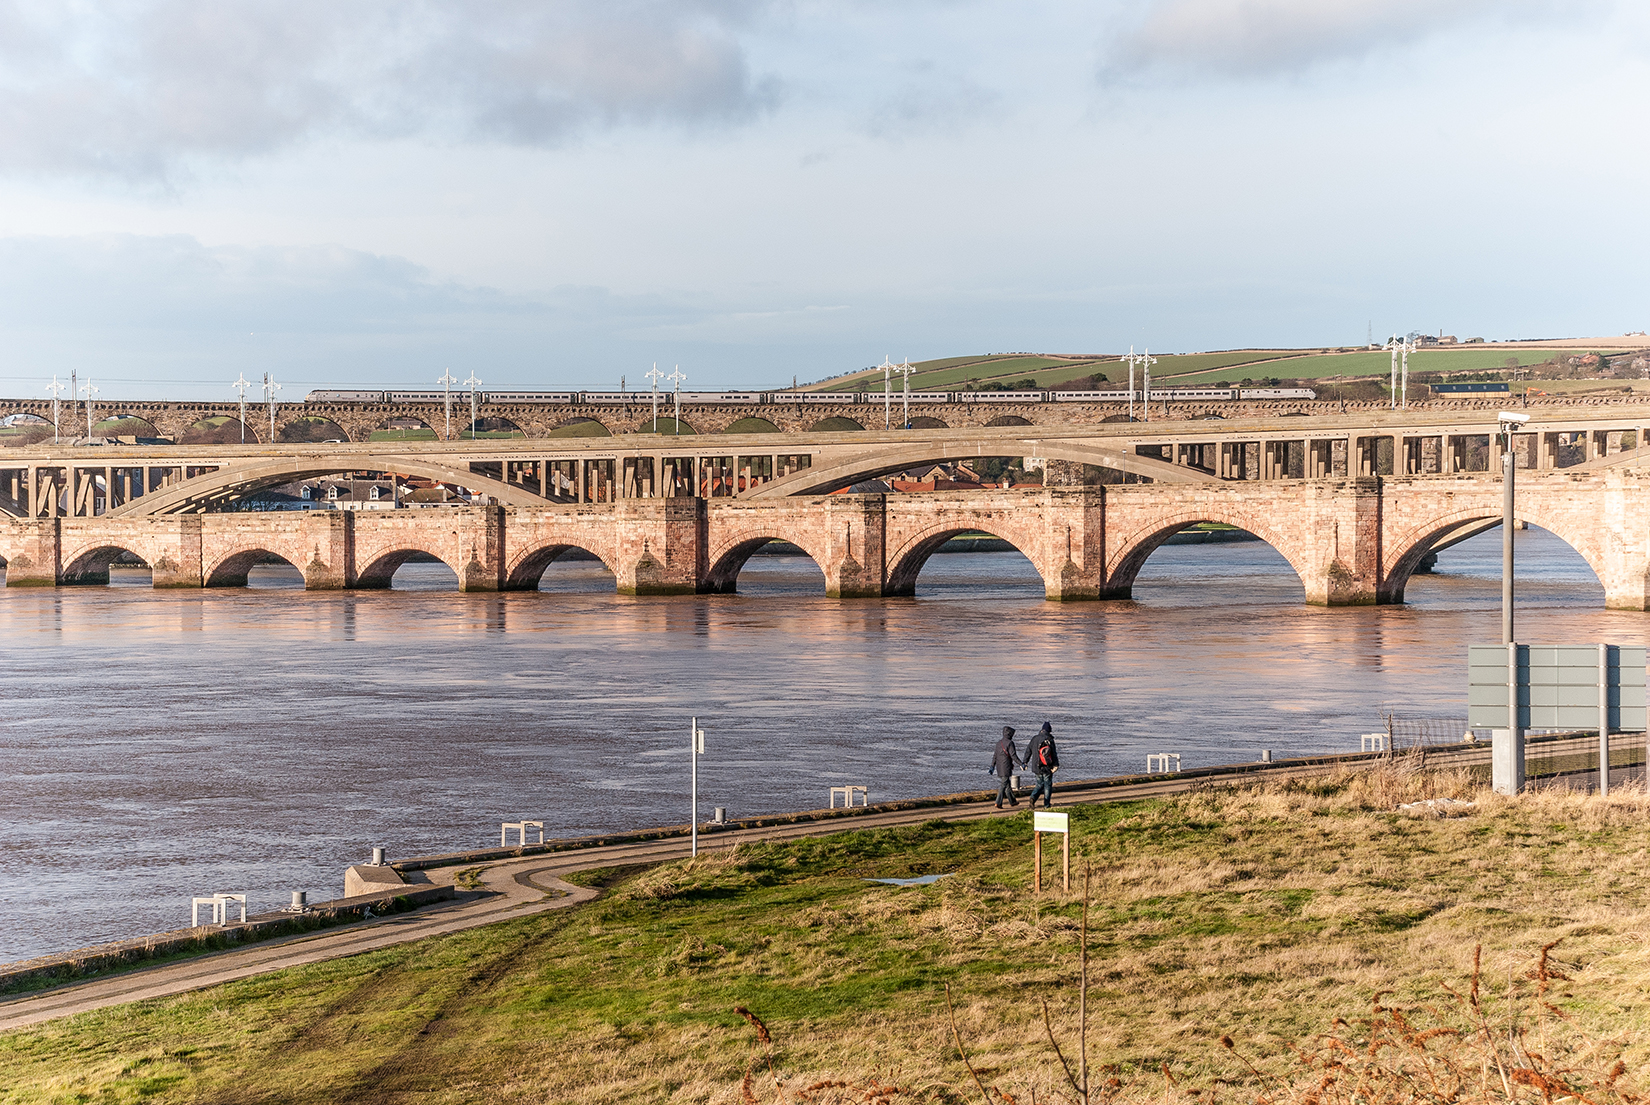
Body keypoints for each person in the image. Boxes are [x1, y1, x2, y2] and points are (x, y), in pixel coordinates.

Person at [990, 726, 1024, 808]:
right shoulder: (1010, 743)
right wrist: (1021, 763)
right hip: (1006, 766)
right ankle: (998, 802)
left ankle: (1013, 801)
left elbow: (995, 756)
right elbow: (1013, 755)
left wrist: (992, 766)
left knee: (1007, 784)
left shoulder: (999, 743)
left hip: (999, 767)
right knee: (1003, 785)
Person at [1027, 721, 1059, 807]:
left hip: (1036, 767)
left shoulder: (1034, 739)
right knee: (1047, 786)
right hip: (1047, 766)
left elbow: (1028, 751)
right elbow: (1053, 754)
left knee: (1039, 784)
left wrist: (1025, 762)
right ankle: (1046, 805)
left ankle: (1033, 797)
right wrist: (1056, 765)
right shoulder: (1049, 739)